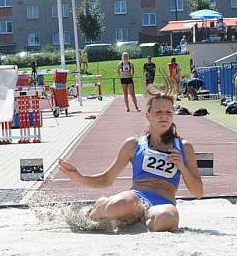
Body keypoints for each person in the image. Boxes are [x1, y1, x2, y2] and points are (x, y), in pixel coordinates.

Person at [57, 80, 203, 231]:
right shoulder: (134, 144)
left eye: (168, 112)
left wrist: (182, 167)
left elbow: (198, 192)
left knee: (167, 219)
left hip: (163, 203)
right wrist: (80, 178)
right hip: (136, 198)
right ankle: (100, 207)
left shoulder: (184, 147)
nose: (164, 116)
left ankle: (140, 221)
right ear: (148, 115)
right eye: (158, 112)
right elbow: (107, 178)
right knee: (119, 204)